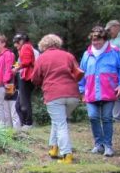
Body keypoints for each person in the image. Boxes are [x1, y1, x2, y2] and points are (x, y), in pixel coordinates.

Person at [79, 26, 120, 157]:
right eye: (93, 41)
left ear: (104, 39)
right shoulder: (87, 54)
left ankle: (108, 145)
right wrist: (81, 90)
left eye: (98, 40)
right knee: (93, 117)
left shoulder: (114, 52)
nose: (95, 43)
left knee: (107, 118)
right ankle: (98, 144)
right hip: (91, 91)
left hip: (109, 90)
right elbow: (81, 74)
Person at [30, 34, 82, 163]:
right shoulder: (68, 56)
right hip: (73, 95)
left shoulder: (42, 58)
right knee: (59, 120)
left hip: (54, 94)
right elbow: (78, 72)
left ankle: (66, 155)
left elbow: (35, 78)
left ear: (43, 45)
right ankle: (54, 147)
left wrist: (44, 81)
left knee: (60, 123)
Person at [0, 34, 20, 130]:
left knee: (1, 107)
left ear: (4, 44)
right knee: (5, 107)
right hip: (2, 84)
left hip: (4, 85)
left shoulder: (8, 54)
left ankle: (0, 129)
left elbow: (8, 69)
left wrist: (4, 82)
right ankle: (7, 130)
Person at [12, 33, 36, 129]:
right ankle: (25, 123)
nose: (15, 45)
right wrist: (14, 68)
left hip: (27, 77)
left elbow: (26, 62)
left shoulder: (26, 47)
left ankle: (28, 123)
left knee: (24, 102)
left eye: (16, 42)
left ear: (21, 41)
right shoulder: (23, 49)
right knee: (18, 104)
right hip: (23, 76)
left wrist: (16, 69)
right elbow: (20, 62)